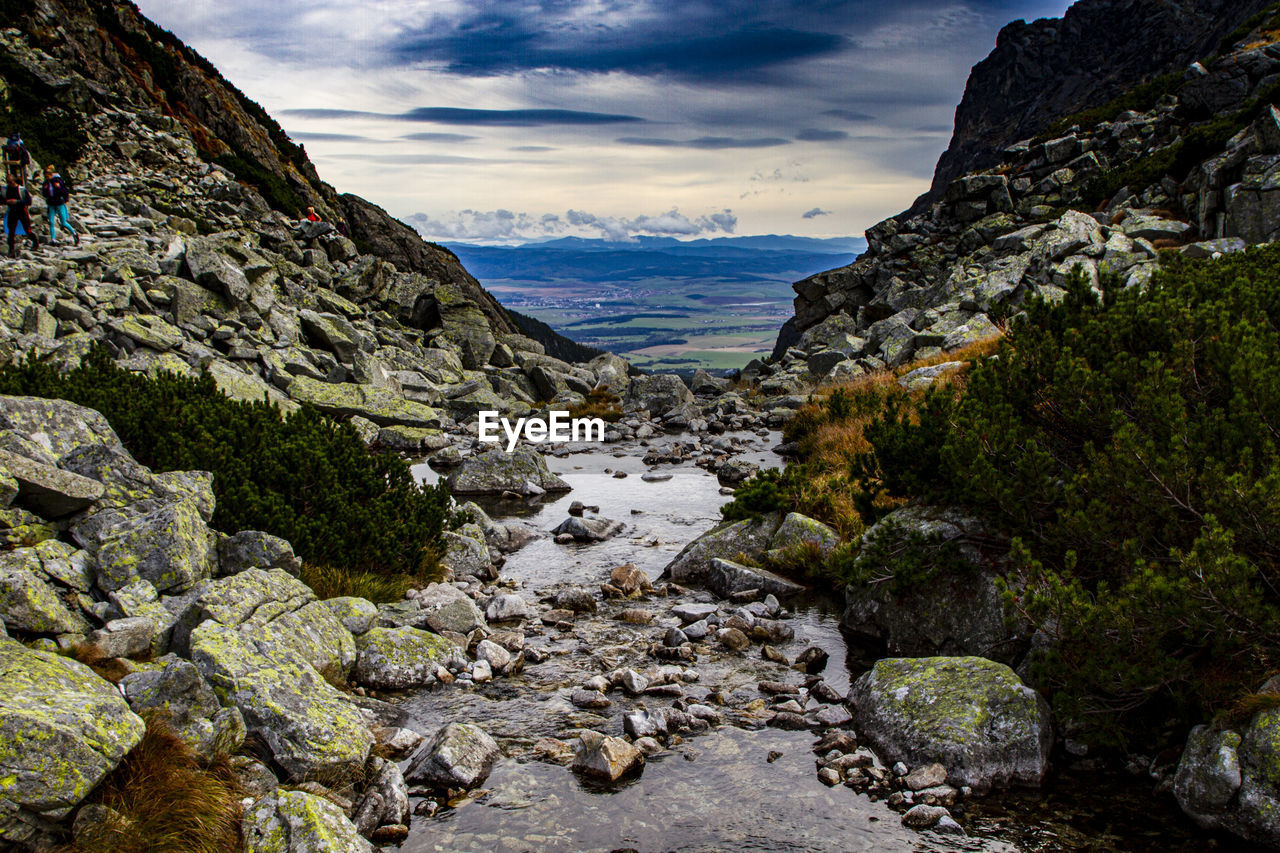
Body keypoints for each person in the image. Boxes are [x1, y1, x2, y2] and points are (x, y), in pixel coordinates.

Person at [40, 164, 78, 246]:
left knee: (63, 222)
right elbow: (44, 193)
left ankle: (74, 233)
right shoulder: (46, 183)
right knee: (51, 221)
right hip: (51, 203)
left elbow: (64, 191)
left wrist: (61, 192)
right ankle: (53, 239)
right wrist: (45, 189)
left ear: (51, 175)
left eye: (47, 177)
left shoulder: (57, 181)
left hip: (59, 202)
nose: (46, 178)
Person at [3, 172, 38, 258]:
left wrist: (17, 202)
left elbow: (28, 201)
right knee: (11, 232)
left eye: (10, 182)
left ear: (14, 181)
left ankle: (35, 243)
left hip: (21, 211)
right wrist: (6, 202)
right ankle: (11, 250)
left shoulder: (21, 189)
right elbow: (2, 199)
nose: (9, 184)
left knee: (27, 230)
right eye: (8, 182)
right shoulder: (5, 190)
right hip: (12, 211)